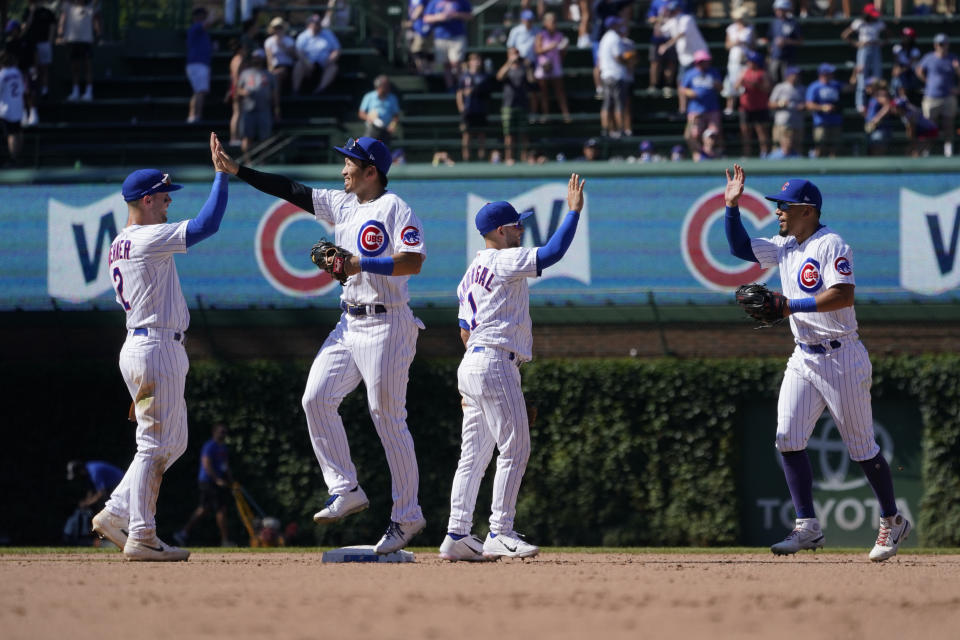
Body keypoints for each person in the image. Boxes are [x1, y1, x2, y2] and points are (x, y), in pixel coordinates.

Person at [213, 135, 428, 555]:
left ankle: (407, 515)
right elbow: (292, 190)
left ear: (371, 171)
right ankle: (345, 488)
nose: (343, 168)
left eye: (350, 162)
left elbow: (414, 261)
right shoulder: (342, 204)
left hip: (388, 322)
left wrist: (358, 262)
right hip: (349, 321)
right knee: (315, 398)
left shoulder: (395, 206)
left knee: (387, 417)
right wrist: (237, 170)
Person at [722, 164, 912, 562]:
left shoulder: (832, 245)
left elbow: (843, 295)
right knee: (787, 439)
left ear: (808, 209)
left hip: (842, 355)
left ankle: (892, 521)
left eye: (785, 206)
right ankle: (807, 526)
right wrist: (731, 208)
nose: (779, 211)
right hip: (804, 355)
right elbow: (740, 249)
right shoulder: (785, 246)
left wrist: (790, 304)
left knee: (861, 449)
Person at [90, 134, 230, 561]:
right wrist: (222, 176)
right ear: (146, 200)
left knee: (176, 442)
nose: (169, 202)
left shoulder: (118, 243)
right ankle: (142, 534)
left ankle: (117, 511)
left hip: (146, 347)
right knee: (153, 444)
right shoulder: (147, 239)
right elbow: (208, 224)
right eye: (165, 196)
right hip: (155, 351)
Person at [439, 174, 585, 562]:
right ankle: (499, 531)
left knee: (473, 455)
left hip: (473, 361)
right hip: (493, 362)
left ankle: (457, 533)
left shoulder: (468, 274)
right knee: (515, 447)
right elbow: (552, 253)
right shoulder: (503, 260)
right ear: (502, 231)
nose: (521, 229)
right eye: (517, 225)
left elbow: (464, 331)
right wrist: (572, 213)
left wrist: (477, 382)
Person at [173, 424, 235, 547]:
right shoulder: (210, 446)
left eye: (225, 432)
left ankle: (183, 533)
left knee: (204, 509)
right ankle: (225, 541)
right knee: (220, 509)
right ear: (214, 432)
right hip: (208, 482)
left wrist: (231, 481)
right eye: (221, 432)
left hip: (216, 482)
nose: (223, 434)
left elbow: (225, 466)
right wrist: (217, 479)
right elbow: (206, 464)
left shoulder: (223, 448)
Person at [915, 33, 960, 158]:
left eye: (944, 44)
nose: (942, 47)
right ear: (935, 45)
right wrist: (927, 81)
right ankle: (927, 150)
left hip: (948, 97)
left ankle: (948, 149)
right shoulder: (929, 58)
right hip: (931, 96)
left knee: (948, 124)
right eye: (940, 44)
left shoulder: (953, 58)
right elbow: (919, 70)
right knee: (930, 125)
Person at [841, 3, 887, 115]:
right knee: (861, 77)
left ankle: (878, 102)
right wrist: (856, 44)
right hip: (864, 49)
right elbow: (845, 35)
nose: (873, 16)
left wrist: (882, 43)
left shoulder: (878, 23)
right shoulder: (859, 23)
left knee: (877, 77)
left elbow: (888, 34)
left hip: (875, 48)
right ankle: (861, 105)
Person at [63, 459, 123, 544]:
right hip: (112, 486)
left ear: (81, 471)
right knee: (97, 507)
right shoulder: (88, 471)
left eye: (77, 475)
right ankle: (101, 536)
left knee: (105, 507)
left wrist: (87, 503)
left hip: (120, 484)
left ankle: (109, 537)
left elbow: (101, 493)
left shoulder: (94, 472)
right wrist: (87, 502)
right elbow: (91, 490)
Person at [237, 49, 276, 162]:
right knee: (247, 137)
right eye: (254, 57)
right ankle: (247, 161)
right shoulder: (245, 73)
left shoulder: (269, 74)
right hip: (248, 109)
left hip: (264, 109)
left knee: (265, 138)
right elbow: (238, 90)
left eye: (258, 57)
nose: (256, 59)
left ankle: (262, 161)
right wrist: (244, 92)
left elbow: (274, 92)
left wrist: (277, 108)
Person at [497, 46, 535, 164]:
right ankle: (509, 158)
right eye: (513, 53)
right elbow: (499, 77)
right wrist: (509, 62)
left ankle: (524, 157)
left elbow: (532, 81)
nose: (515, 55)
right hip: (508, 105)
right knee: (509, 133)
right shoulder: (507, 67)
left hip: (522, 104)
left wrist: (528, 67)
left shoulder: (524, 67)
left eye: (517, 53)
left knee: (524, 133)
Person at [681, 49, 722, 156]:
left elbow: (721, 88)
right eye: (704, 61)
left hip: (712, 108)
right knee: (694, 134)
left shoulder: (713, 72)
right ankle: (698, 155)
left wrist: (717, 85)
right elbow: (683, 89)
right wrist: (691, 93)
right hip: (695, 109)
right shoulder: (690, 74)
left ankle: (710, 153)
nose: (706, 63)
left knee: (712, 133)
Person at [57, 0, 100, 102]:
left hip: (86, 41)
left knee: (87, 67)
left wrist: (98, 32)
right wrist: (60, 33)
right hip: (72, 41)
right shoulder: (67, 6)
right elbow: (62, 19)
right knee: (74, 68)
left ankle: (89, 91)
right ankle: (75, 91)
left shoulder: (91, 7)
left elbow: (96, 20)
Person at [424, 0, 472, 90]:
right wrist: (439, 17)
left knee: (456, 62)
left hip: (457, 36)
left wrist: (456, 15)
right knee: (446, 65)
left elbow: (470, 15)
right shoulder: (434, 2)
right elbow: (426, 18)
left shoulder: (462, 1)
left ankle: (461, 86)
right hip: (440, 37)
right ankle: (450, 87)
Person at [598, 16, 633, 138]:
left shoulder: (604, 39)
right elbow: (618, 57)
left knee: (607, 104)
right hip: (616, 75)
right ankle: (621, 129)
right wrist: (628, 60)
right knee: (619, 104)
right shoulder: (615, 38)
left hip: (605, 75)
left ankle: (605, 129)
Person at [533, 11, 571, 124]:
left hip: (556, 66)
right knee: (543, 93)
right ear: (545, 23)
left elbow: (562, 55)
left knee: (560, 91)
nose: (553, 23)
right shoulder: (540, 35)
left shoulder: (560, 35)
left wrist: (564, 49)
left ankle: (566, 115)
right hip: (543, 67)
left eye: (555, 21)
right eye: (551, 21)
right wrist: (549, 47)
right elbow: (537, 50)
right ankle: (545, 115)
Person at [293, 13, 341, 95]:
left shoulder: (328, 34)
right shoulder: (303, 36)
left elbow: (337, 49)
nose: (316, 26)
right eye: (314, 23)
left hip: (324, 63)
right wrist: (306, 62)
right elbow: (298, 51)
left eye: (318, 23)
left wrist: (331, 58)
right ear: (309, 25)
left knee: (333, 67)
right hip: (308, 64)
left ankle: (320, 90)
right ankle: (295, 91)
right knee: (298, 65)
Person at [457, 52, 493, 161]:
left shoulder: (484, 76)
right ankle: (466, 158)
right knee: (467, 134)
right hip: (468, 109)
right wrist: (461, 106)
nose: (476, 62)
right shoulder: (464, 77)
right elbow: (459, 92)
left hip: (480, 109)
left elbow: (488, 93)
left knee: (481, 134)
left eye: (478, 60)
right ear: (469, 62)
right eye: (474, 60)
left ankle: (481, 157)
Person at [735, 50, 772, 157]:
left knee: (761, 131)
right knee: (745, 132)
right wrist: (741, 82)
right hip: (745, 108)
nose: (748, 63)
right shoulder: (743, 73)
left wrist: (756, 86)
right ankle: (746, 154)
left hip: (760, 107)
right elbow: (736, 87)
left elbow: (767, 88)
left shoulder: (763, 74)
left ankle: (764, 153)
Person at [506, 8, 541, 118]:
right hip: (518, 64)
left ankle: (534, 113)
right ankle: (519, 113)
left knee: (533, 90)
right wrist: (514, 62)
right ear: (522, 20)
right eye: (527, 19)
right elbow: (510, 48)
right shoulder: (515, 31)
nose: (528, 22)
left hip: (533, 64)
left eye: (530, 20)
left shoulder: (537, 30)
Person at [721, 5, 754, 115]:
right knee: (731, 82)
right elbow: (727, 45)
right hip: (733, 60)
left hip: (745, 60)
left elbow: (753, 45)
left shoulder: (750, 29)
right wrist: (735, 43)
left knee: (744, 84)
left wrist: (744, 43)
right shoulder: (731, 29)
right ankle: (730, 107)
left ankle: (744, 106)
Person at [21, 0, 57, 100]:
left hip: (44, 43)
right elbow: (24, 28)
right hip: (31, 45)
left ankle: (45, 89)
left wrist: (49, 41)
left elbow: (52, 27)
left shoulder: (48, 12)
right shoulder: (27, 11)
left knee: (44, 68)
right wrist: (31, 13)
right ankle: (33, 89)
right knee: (33, 69)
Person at [805, 63, 843, 158]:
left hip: (835, 121)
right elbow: (809, 105)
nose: (832, 74)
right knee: (820, 147)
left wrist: (856, 73)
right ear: (823, 74)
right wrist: (822, 108)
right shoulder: (814, 86)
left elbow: (849, 88)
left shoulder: (835, 84)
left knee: (835, 149)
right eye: (830, 73)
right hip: (821, 123)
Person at [769, 65, 805, 157]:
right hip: (782, 123)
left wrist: (803, 106)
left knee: (797, 148)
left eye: (797, 75)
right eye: (794, 75)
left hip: (797, 123)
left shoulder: (801, 88)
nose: (796, 77)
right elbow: (770, 104)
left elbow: (807, 103)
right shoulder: (780, 87)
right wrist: (781, 103)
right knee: (779, 148)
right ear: (788, 76)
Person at [764, 0, 802, 86]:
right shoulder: (773, 22)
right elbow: (769, 39)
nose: (779, 12)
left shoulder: (793, 23)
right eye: (778, 9)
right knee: (772, 81)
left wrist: (786, 41)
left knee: (787, 81)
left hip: (788, 58)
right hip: (774, 57)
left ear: (787, 10)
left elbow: (800, 41)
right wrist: (769, 53)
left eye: (782, 9)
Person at [186, 7, 213, 124]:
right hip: (198, 64)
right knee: (200, 91)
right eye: (203, 16)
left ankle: (193, 116)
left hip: (199, 64)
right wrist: (214, 13)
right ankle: (196, 116)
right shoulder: (197, 27)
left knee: (197, 91)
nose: (204, 18)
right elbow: (209, 23)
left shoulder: (200, 31)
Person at [358, 74, 400, 145]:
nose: (388, 87)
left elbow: (396, 115)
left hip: (386, 131)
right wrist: (372, 118)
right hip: (372, 129)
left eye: (388, 85)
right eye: (385, 85)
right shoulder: (369, 96)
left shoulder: (392, 98)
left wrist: (392, 125)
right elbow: (361, 113)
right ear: (379, 86)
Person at [646, 0, 678, 90]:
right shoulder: (656, 2)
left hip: (671, 37)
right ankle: (654, 85)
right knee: (655, 62)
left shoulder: (677, 2)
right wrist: (660, 18)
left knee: (671, 62)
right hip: (657, 38)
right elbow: (650, 18)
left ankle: (668, 85)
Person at [0, 52, 24, 166]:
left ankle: (13, 159)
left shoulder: (2, 74)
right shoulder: (17, 72)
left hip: (6, 110)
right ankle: (17, 157)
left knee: (12, 134)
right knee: (18, 132)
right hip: (18, 107)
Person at [264, 17, 296, 96]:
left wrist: (283, 47)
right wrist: (270, 70)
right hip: (275, 67)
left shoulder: (289, 40)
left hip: (287, 67)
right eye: (276, 28)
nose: (278, 30)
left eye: (280, 27)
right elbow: (269, 58)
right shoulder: (269, 41)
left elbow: (294, 56)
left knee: (277, 75)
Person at [864, 79, 895, 155]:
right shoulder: (873, 97)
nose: (867, 88)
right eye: (867, 86)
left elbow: (888, 106)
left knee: (878, 152)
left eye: (869, 86)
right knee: (872, 152)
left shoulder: (880, 94)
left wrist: (876, 119)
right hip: (873, 130)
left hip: (880, 129)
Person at [406, 0, 433, 74]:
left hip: (423, 28)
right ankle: (421, 70)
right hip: (414, 28)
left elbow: (420, 8)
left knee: (421, 50)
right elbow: (410, 9)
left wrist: (411, 20)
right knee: (415, 51)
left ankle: (427, 70)